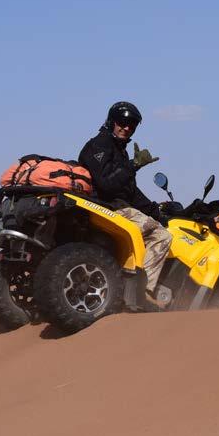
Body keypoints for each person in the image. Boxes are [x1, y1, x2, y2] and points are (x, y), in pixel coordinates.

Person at [79, 101, 173, 305]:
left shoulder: (118, 149)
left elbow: (129, 192)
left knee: (155, 223)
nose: (127, 127)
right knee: (161, 235)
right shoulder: (100, 144)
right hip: (105, 209)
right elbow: (107, 185)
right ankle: (145, 292)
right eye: (122, 122)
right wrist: (133, 165)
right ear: (112, 121)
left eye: (132, 124)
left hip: (114, 207)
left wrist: (157, 210)